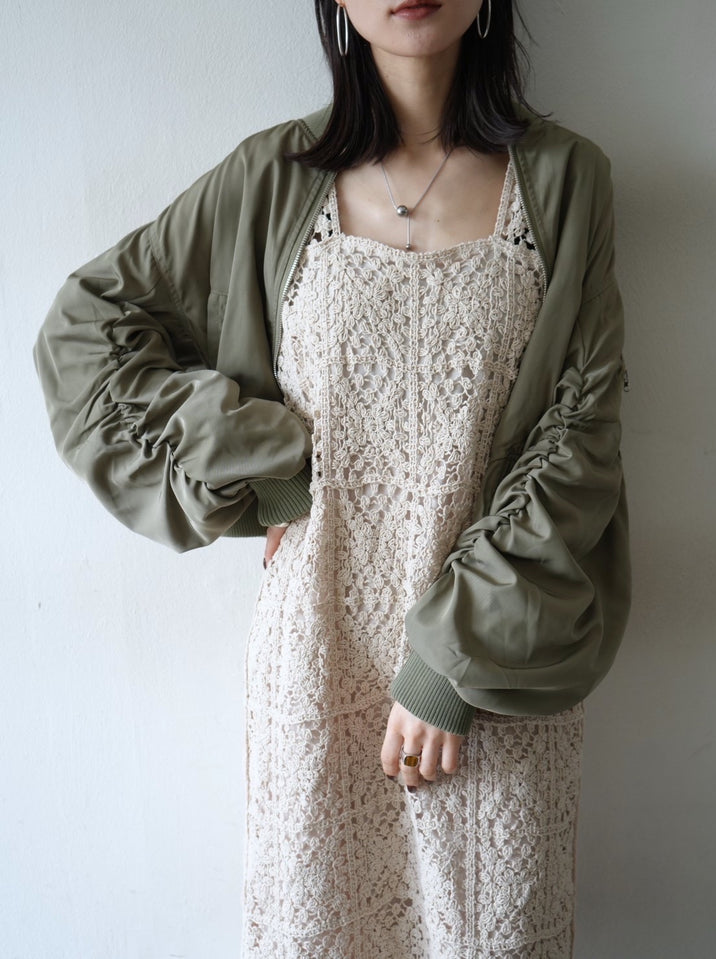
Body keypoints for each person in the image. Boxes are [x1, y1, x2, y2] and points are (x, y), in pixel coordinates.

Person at [34, 1, 631, 956]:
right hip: (316, 658)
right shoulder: (271, 177)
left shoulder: (567, 180)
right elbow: (87, 330)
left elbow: (580, 434)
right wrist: (264, 471)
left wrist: (453, 663)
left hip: (498, 671)